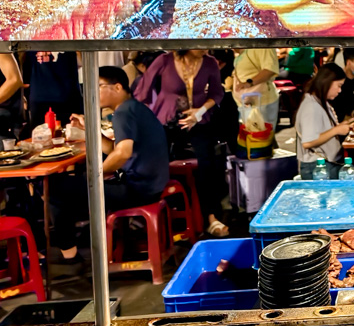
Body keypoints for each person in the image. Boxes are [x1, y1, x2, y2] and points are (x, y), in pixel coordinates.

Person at [51, 67, 169, 270]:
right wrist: (90, 129)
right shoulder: (133, 108)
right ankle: (81, 242)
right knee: (73, 186)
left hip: (139, 190)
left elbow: (123, 153)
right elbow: (115, 148)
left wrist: (95, 175)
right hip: (151, 185)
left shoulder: (123, 112)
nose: (94, 92)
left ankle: (69, 256)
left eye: (98, 86)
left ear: (117, 87)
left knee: (58, 189)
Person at [133, 50, 227, 237]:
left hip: (198, 121)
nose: (204, 48)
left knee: (206, 167)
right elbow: (141, 91)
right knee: (158, 166)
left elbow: (217, 93)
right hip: (166, 123)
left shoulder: (209, 62)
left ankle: (210, 217)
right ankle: (162, 218)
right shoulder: (165, 60)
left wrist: (199, 112)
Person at [295, 65, 354, 180]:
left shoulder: (319, 102)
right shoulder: (311, 107)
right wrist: (336, 130)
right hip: (317, 167)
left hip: (327, 163)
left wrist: (345, 126)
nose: (340, 91)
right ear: (327, 82)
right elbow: (308, 142)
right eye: (338, 86)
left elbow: (323, 130)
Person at [23, 51, 83, 133]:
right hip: (41, 99)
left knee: (74, 136)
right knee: (41, 138)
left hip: (67, 97)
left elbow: (81, 62)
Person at [232, 47, 282, 132]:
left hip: (261, 102)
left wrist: (249, 83)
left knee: (260, 138)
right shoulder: (248, 46)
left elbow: (270, 70)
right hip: (247, 101)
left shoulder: (263, 46)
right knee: (251, 138)